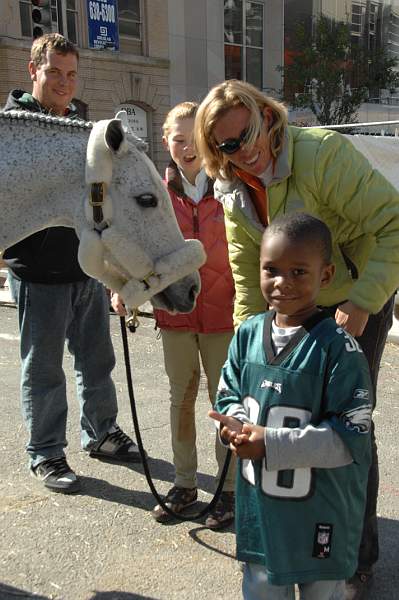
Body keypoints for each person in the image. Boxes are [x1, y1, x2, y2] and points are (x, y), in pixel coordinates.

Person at [195, 79, 399, 599]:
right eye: (233, 144)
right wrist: (247, 346)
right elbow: (247, 272)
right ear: (215, 151)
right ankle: (284, 541)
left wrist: (363, 302)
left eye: (254, 129)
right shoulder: (232, 189)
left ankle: (353, 556)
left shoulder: (322, 154)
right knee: (279, 413)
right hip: (288, 296)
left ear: (267, 114)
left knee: (348, 421)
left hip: (354, 290)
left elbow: (396, 222)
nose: (252, 147)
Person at [3, 33, 142, 495]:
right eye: (54, 73)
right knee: (43, 369)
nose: (64, 83)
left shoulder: (83, 129)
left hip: (86, 269)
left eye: (71, 74)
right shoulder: (14, 129)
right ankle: (45, 451)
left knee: (96, 360)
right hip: (37, 273)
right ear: (33, 72)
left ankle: (100, 433)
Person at [209, 212, 372, 600]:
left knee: (321, 591)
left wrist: (272, 443)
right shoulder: (247, 335)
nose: (283, 283)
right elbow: (229, 396)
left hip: (320, 513)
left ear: (326, 275)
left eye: (299, 271)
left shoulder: (339, 349)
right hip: (263, 512)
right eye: (272, 270)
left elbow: (350, 440)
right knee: (262, 585)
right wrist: (234, 427)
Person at [112, 101, 236, 528]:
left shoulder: (231, 185)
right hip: (175, 315)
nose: (186, 148)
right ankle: (184, 483)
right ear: (165, 141)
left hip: (226, 315)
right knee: (180, 399)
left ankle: (229, 489)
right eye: (177, 139)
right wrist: (123, 288)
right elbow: (130, 245)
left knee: (226, 403)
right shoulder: (154, 196)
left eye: (193, 138)